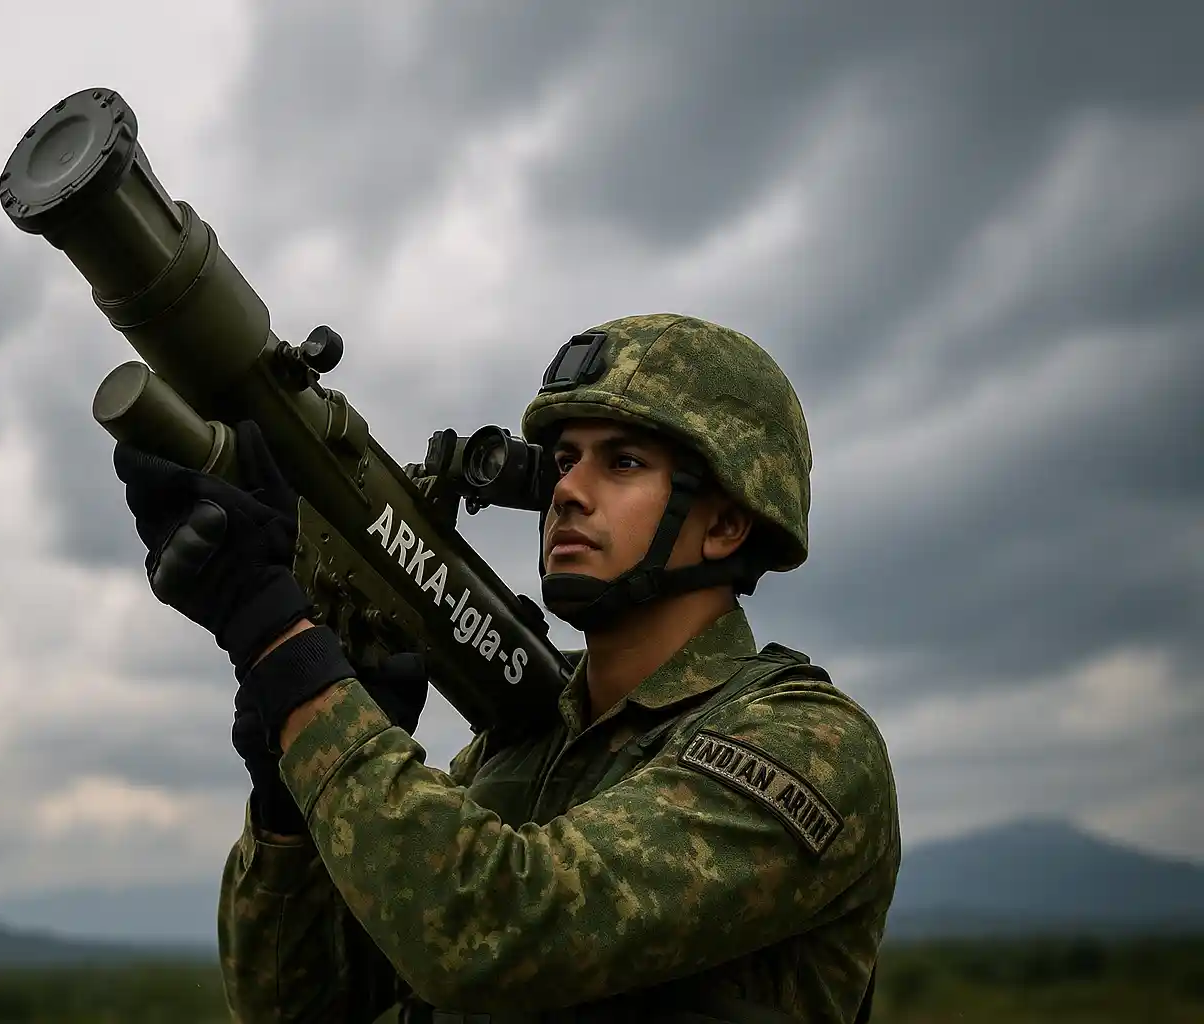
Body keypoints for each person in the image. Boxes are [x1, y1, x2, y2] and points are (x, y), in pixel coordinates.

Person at [114, 314, 901, 1024]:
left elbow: (491, 928)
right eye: (563, 462)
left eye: (621, 463)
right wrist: (290, 796)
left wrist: (287, 655)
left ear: (726, 523)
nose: (568, 493)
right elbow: (293, 1004)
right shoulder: (515, 753)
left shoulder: (807, 743)